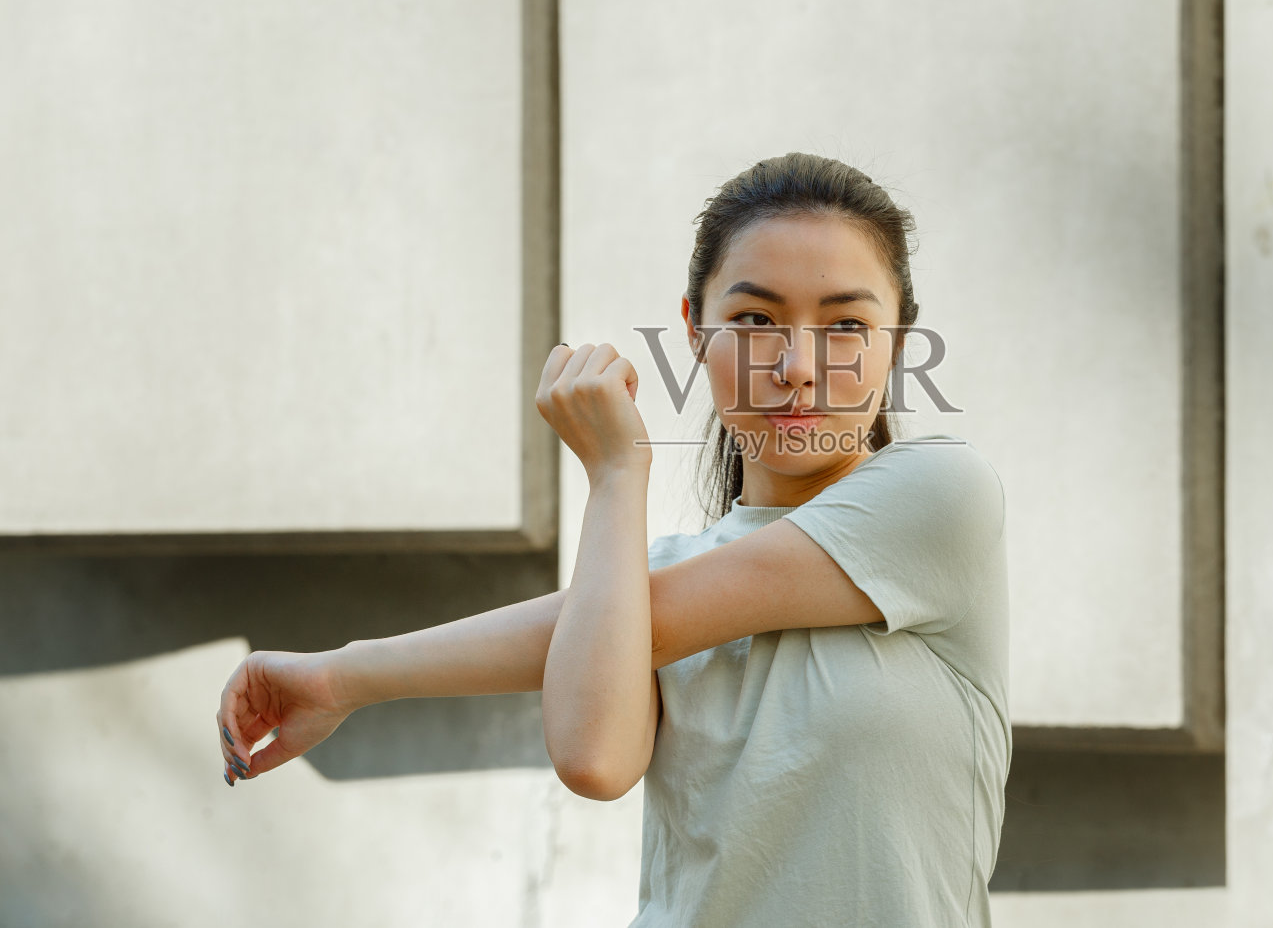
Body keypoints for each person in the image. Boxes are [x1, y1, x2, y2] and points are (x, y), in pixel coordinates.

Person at [213, 152, 1011, 926]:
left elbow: (636, 627)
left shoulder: (942, 496)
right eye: (754, 320)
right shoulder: (639, 587)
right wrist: (617, 474)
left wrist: (347, 673)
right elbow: (595, 756)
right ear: (694, 330)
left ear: (898, 342)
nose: (798, 366)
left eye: (846, 325)